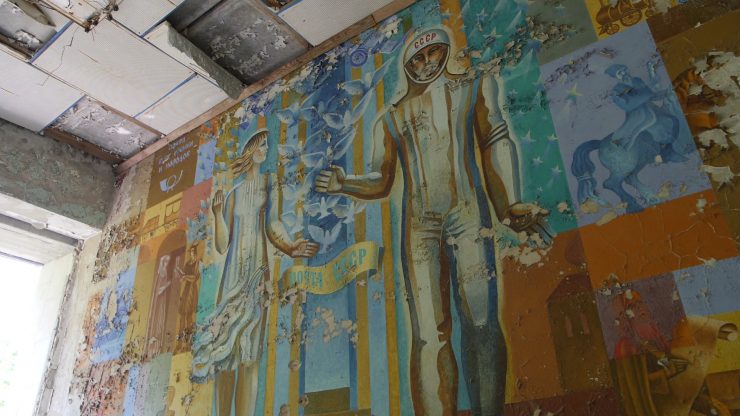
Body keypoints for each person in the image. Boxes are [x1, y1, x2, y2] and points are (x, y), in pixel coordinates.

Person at [315, 27, 550, 415]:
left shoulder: (472, 87)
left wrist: (509, 206)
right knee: (428, 334)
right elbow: (381, 180)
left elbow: (495, 139)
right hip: (419, 226)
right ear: (407, 65)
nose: (428, 63)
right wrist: (346, 184)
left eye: (435, 53)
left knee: (481, 322)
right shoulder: (390, 119)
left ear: (445, 52)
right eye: (419, 58)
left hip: (468, 215)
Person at [192, 129, 319, 416]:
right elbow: (222, 244)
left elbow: (273, 225)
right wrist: (217, 214)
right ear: (249, 150)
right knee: (225, 355)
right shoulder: (233, 194)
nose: (265, 149)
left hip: (255, 275)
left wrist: (290, 247)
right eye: (260, 145)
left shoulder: (270, 182)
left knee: (249, 354)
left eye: (266, 145)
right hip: (231, 277)